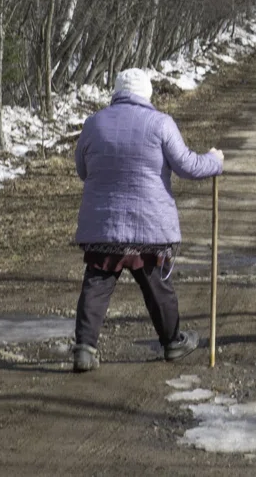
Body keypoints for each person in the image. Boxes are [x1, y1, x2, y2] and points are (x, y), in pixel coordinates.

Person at [71, 68, 224, 373]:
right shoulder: (160, 123)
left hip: (105, 227)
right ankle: (172, 341)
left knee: (96, 284)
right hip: (149, 228)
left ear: (116, 92)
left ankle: (85, 348)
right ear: (147, 94)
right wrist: (215, 162)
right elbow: (188, 166)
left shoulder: (94, 123)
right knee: (157, 287)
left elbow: (82, 169)